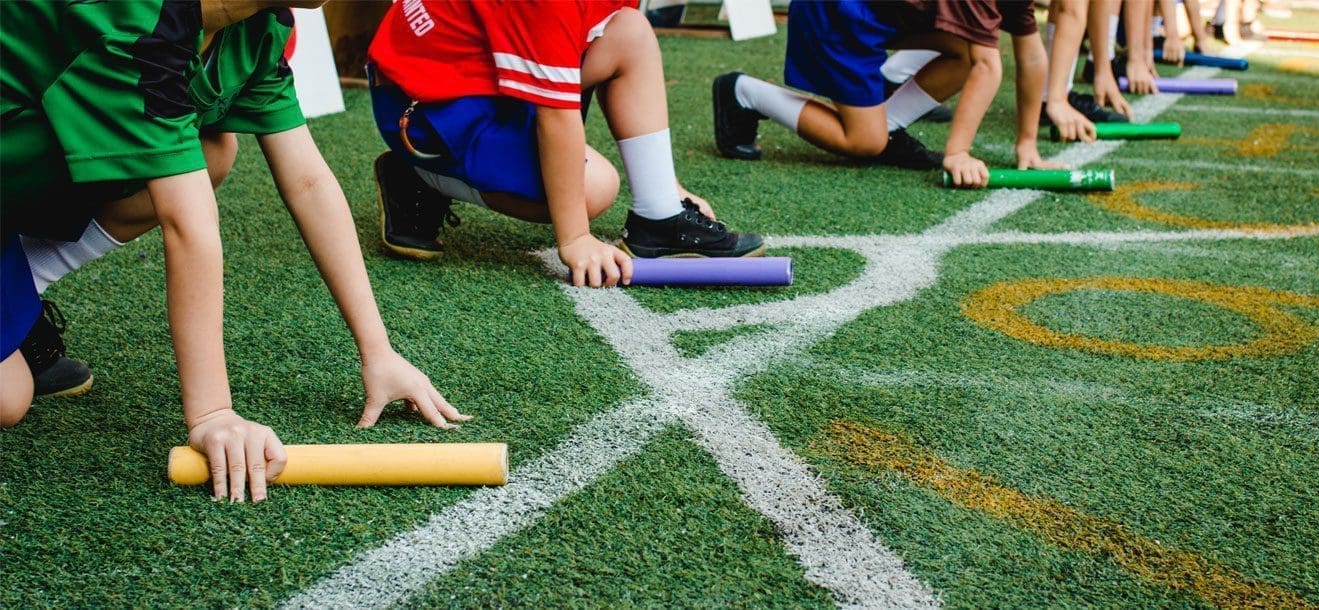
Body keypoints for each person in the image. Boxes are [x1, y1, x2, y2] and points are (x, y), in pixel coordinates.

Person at [1, 0, 463, 503]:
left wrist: (379, 352)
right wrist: (212, 414)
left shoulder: (259, 23)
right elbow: (187, 221)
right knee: (9, 401)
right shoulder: (133, 14)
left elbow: (308, 182)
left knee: (213, 150)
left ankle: (24, 291)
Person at [366, 0, 764, 288]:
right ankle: (416, 174)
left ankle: (659, 217)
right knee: (593, 189)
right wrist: (574, 238)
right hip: (425, 107)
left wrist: (667, 186)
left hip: (480, 78)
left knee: (629, 31)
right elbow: (554, 112)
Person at [712, 0, 1009, 184]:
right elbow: (988, 64)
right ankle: (743, 92)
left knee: (965, 51)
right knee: (864, 143)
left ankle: (888, 130)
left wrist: (1026, 145)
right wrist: (958, 152)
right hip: (840, 16)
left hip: (876, 15)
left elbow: (1030, 52)